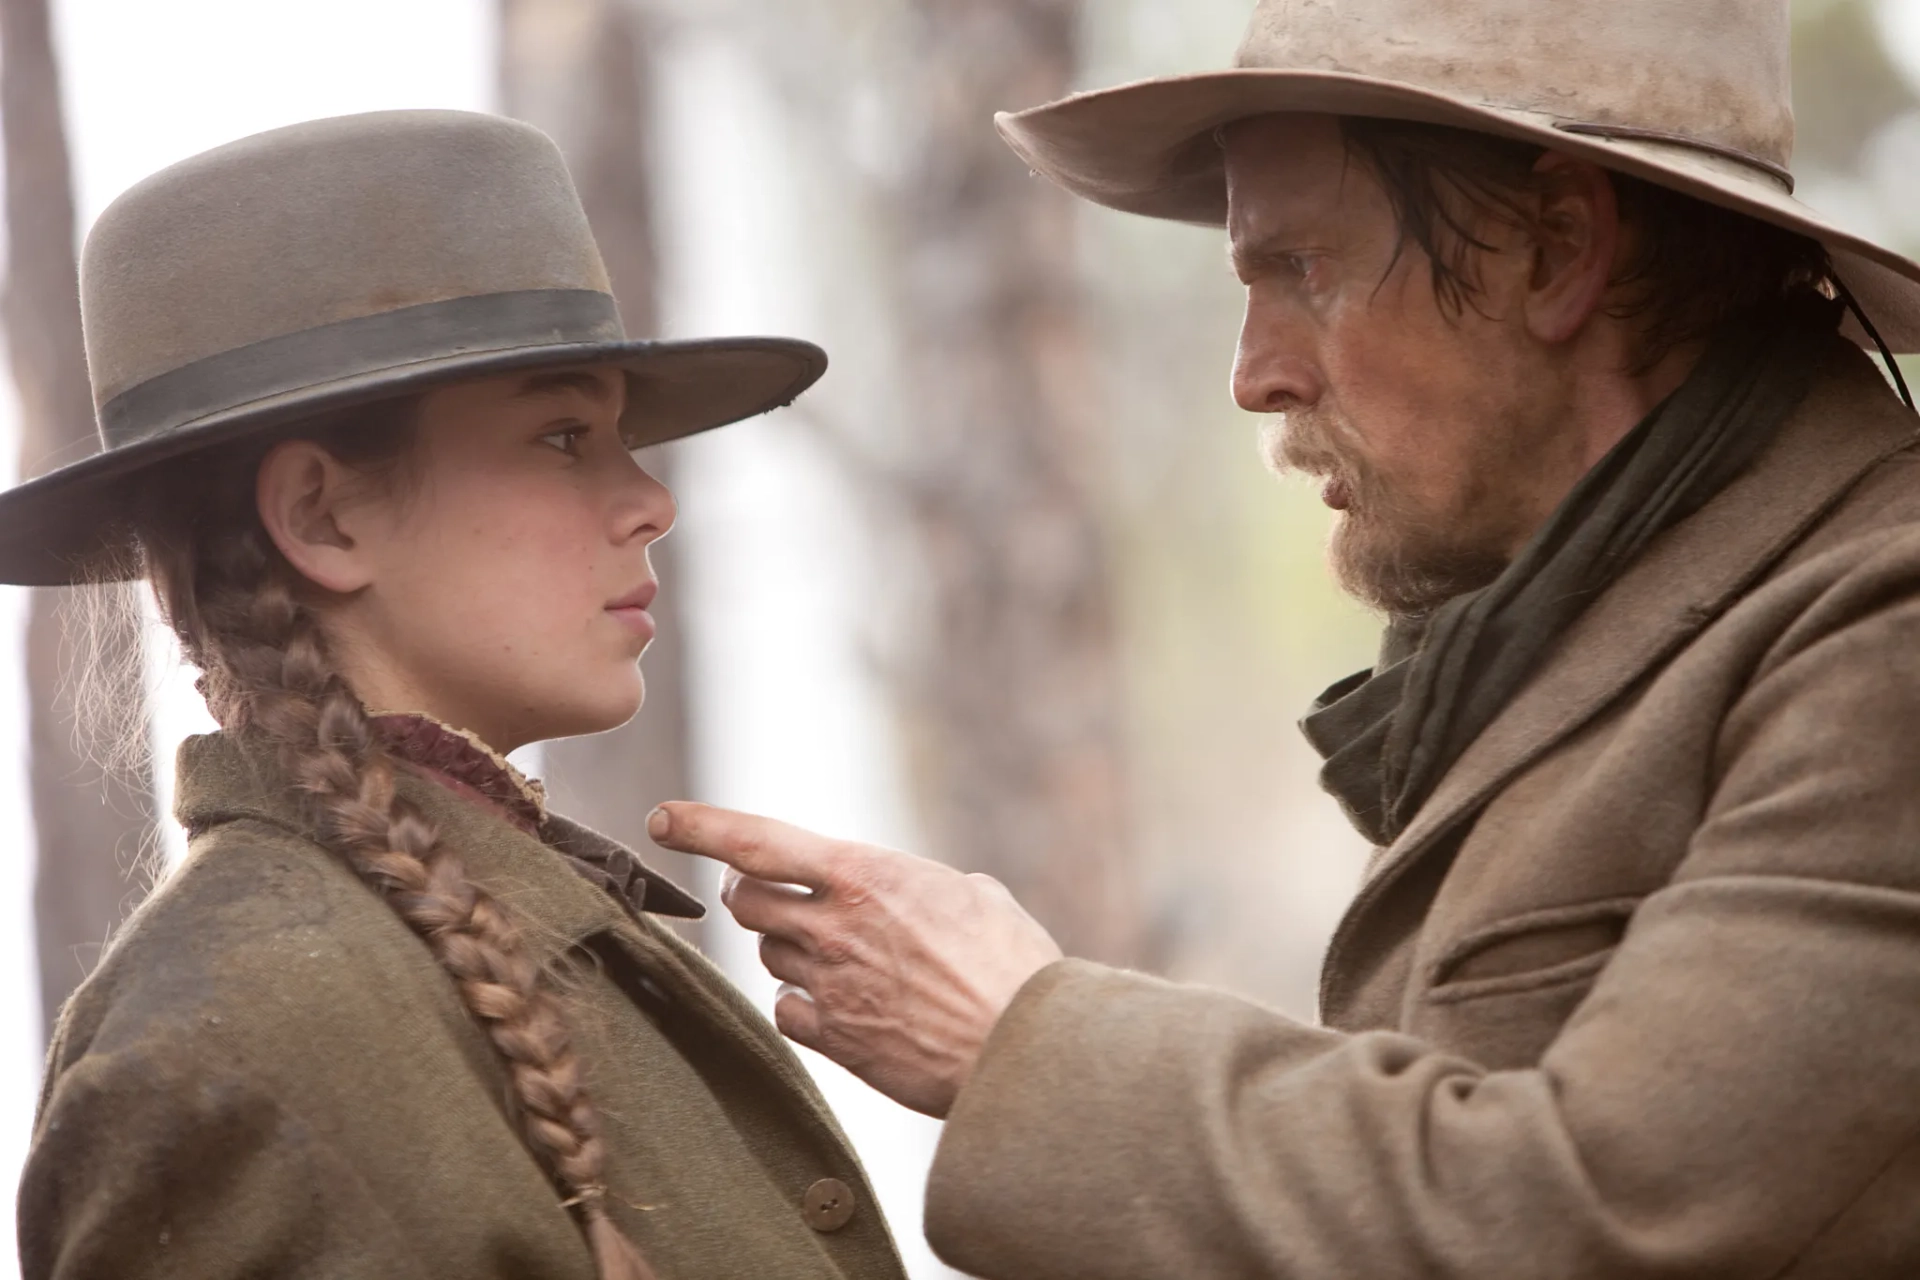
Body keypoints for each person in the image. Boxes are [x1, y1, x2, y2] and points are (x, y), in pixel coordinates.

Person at [648, 0, 1920, 1275]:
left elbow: (1598, 1218)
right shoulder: (1604, 622)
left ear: (1556, 248)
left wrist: (1016, 1043)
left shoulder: (1886, 627)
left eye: (1302, 268)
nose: (1254, 374)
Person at [13, 110, 906, 1280]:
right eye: (562, 434)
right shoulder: (248, 1031)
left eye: (618, 435)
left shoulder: (452, 938)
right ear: (324, 517)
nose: (650, 500)